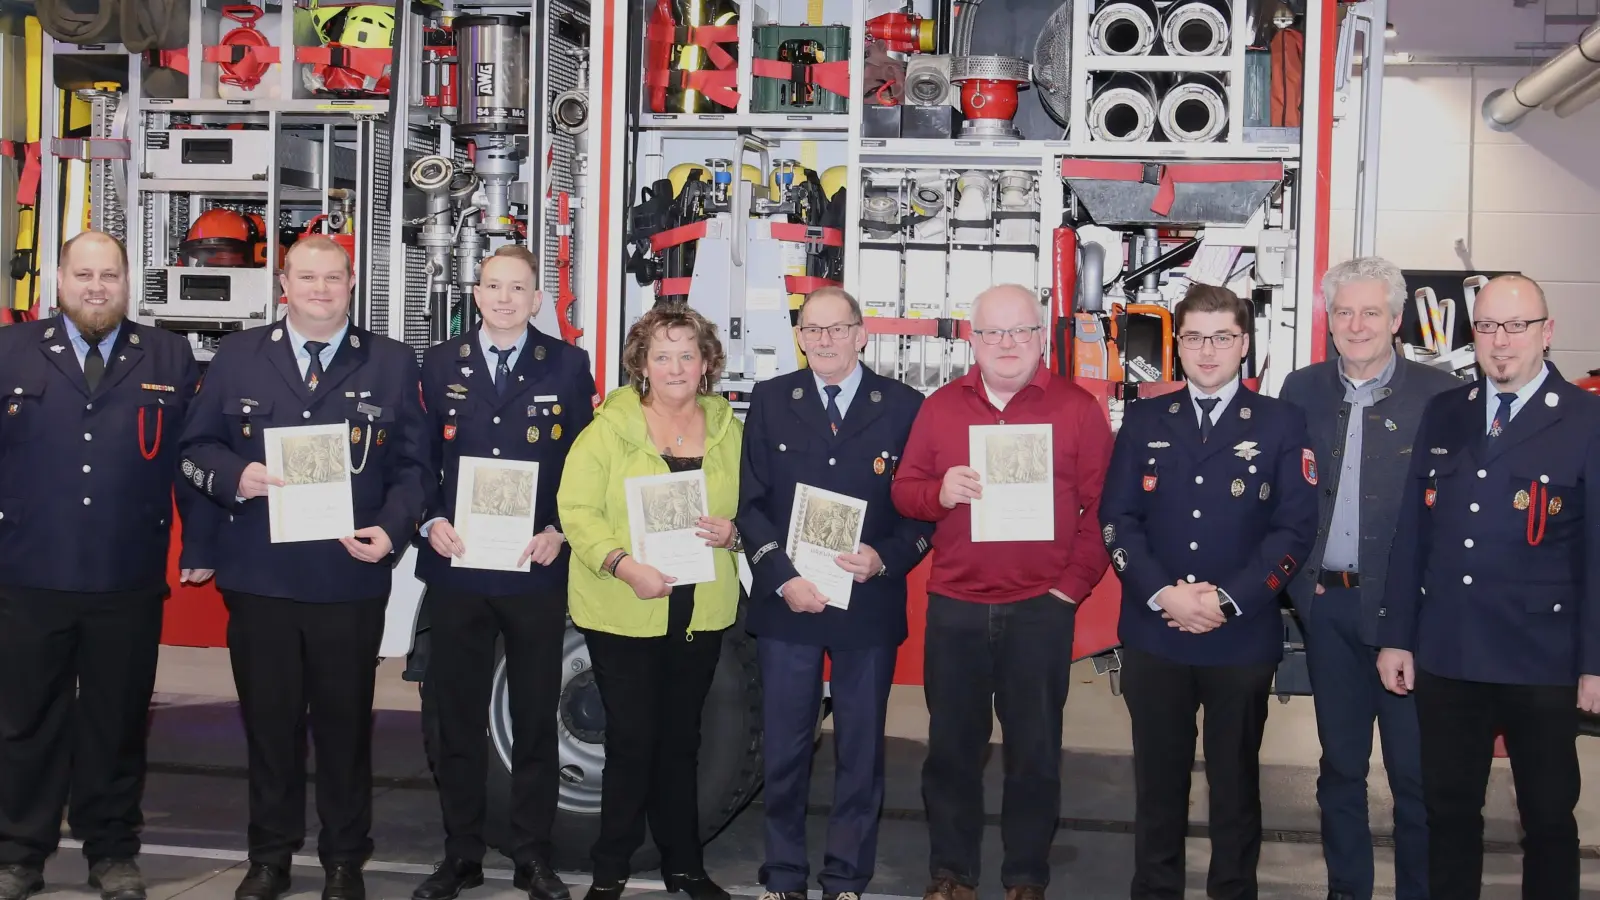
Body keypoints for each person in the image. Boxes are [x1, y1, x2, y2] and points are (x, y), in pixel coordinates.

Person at [178, 236, 431, 900]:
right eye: (306, 276)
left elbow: (414, 466)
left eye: (333, 277)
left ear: (353, 283)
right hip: (260, 577)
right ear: (282, 282)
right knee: (269, 725)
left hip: (348, 577)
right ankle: (270, 858)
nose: (320, 288)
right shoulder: (238, 357)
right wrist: (238, 475)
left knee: (346, 726)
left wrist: (393, 528)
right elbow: (194, 447)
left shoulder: (393, 362)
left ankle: (345, 859)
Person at [0, 231, 218, 900]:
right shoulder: (10, 350)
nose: (97, 287)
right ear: (58, 281)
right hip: (29, 571)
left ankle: (113, 850)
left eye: (110, 275)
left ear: (128, 282)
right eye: (84, 274)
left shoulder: (166, 354)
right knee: (23, 721)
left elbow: (192, 456)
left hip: (125, 574)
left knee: (117, 721)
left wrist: (203, 544)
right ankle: (18, 854)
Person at [1378, 273, 1600, 900]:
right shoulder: (1445, 411)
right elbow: (1414, 532)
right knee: (1448, 816)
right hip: (1450, 654)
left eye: (1517, 327)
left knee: (1549, 821)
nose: (1501, 343)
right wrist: (1398, 637)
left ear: (1547, 333)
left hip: (1542, 659)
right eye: (1488, 327)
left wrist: (1595, 661)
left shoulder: (1585, 419)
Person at [890, 284, 1113, 900]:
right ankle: (952, 874)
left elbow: (1104, 508)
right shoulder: (939, 409)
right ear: (973, 340)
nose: (1007, 344)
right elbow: (904, 490)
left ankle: (1025, 877)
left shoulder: (1076, 409)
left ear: (1041, 338)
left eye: (1020, 331)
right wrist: (940, 492)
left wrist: (1070, 590)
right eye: (993, 332)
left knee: (1034, 753)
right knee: (951, 752)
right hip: (957, 607)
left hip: (1040, 610)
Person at [1100, 284, 1318, 900]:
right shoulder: (1146, 419)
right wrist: (1162, 594)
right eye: (1194, 337)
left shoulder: (1280, 422)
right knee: (1158, 786)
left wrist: (1227, 600)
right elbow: (1118, 519)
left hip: (1239, 638)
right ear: (1179, 346)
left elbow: (1294, 529)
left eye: (1222, 336)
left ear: (1244, 344)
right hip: (1155, 634)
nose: (1207, 350)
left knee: (1235, 787)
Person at [736, 288, 934, 900]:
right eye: (811, 329)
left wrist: (886, 558)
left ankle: (846, 877)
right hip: (787, 602)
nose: (823, 340)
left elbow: (923, 515)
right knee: (786, 748)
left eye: (836, 328)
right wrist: (782, 578)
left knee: (861, 751)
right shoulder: (771, 401)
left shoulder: (904, 406)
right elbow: (751, 505)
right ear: (799, 336)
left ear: (861, 334)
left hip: (866, 604)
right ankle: (784, 876)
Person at [410, 246, 595, 900]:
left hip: (533, 570)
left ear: (537, 299)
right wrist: (428, 519)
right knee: (455, 720)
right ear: (477, 292)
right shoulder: (439, 363)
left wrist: (562, 531)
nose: (505, 298)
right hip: (458, 569)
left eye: (518, 288)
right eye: (494, 286)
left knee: (536, 722)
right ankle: (459, 854)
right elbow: (416, 456)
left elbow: (584, 465)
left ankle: (532, 858)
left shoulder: (569, 366)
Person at [1278, 257, 1456, 900]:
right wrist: (1300, 588)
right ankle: (1347, 890)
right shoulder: (1300, 390)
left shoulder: (1441, 397)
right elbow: (1285, 497)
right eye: (1345, 312)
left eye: (1371, 312)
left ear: (1396, 319)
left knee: (1414, 775)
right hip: (1326, 610)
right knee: (1340, 770)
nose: (1357, 325)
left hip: (1408, 619)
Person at [555, 304, 744, 900]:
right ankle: (609, 871)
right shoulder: (607, 430)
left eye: (688, 354)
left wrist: (733, 531)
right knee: (632, 743)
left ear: (708, 363)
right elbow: (577, 512)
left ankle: (684, 867)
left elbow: (756, 502)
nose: (676, 366)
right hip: (626, 608)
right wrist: (624, 565)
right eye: (662, 355)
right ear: (641, 364)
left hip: (699, 610)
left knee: (682, 742)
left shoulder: (729, 431)